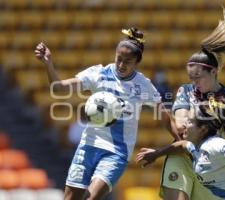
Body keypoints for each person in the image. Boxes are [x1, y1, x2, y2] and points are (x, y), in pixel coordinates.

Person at [35, 27, 180, 200]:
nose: (121, 65)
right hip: (88, 146)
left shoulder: (143, 85)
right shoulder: (98, 73)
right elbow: (59, 88)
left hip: (116, 152)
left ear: (136, 62)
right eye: (119, 58)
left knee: (91, 198)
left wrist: (182, 141)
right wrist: (48, 64)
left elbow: (164, 117)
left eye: (127, 61)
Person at [157, 9, 225, 200]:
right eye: (191, 77)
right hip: (183, 158)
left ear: (214, 72)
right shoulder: (186, 91)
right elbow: (182, 124)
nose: (194, 82)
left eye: (198, 77)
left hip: (214, 165)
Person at [136, 97, 225, 200]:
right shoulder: (195, 146)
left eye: (190, 121)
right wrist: (156, 154)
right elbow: (181, 145)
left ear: (202, 129)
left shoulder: (215, 145)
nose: (185, 124)